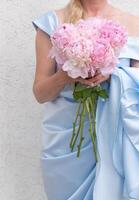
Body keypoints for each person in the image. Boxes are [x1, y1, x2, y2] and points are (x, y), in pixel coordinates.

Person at [32, 0, 139, 199]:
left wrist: (112, 72)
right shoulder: (52, 23)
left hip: (114, 137)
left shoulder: (134, 25)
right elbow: (40, 93)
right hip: (66, 143)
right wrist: (67, 74)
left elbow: (136, 88)